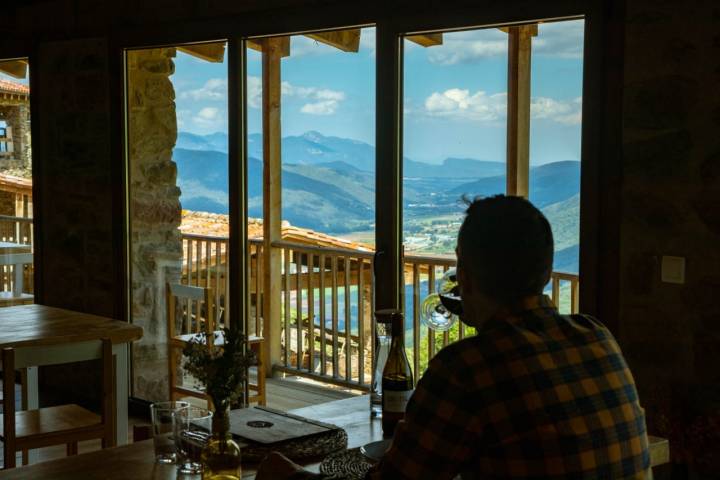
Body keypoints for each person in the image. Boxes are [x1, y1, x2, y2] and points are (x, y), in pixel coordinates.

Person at [257, 195, 651, 479]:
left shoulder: (468, 368)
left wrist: (291, 478)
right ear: (546, 274)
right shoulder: (596, 336)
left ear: (467, 276)